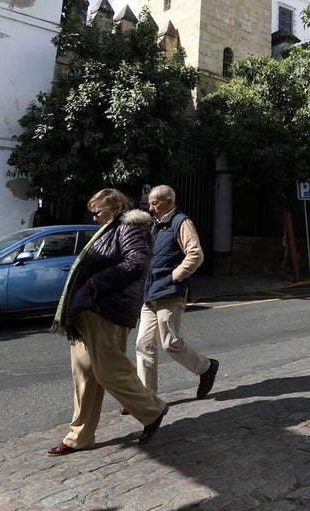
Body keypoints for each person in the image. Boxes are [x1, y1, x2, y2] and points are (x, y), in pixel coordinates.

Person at [46, 188, 170, 456]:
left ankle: (153, 410)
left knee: (108, 370)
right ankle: (79, 436)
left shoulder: (132, 226)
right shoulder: (110, 227)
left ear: (114, 208)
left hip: (106, 308)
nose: (94, 219)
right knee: (84, 374)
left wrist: (93, 285)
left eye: (97, 212)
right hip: (88, 308)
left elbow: (136, 263)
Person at [135, 184, 219, 400]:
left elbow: (195, 254)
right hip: (150, 292)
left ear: (169, 202)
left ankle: (206, 368)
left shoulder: (181, 222)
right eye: (150, 203)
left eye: (155, 204)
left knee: (170, 342)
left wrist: (174, 277)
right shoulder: (155, 226)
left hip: (169, 292)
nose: (150, 208)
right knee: (143, 344)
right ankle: (146, 399)